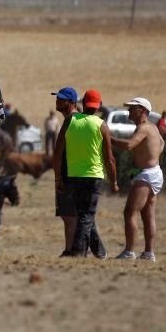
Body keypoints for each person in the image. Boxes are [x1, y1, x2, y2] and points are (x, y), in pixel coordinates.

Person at [64, 89, 116, 259]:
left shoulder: (71, 120)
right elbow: (110, 159)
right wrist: (114, 181)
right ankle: (78, 252)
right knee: (86, 215)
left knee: (84, 214)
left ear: (83, 103)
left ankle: (100, 252)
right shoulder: (101, 125)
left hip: (73, 175)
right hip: (94, 176)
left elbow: (58, 148)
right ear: (99, 106)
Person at [112, 97, 163, 262]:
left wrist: (108, 139)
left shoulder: (143, 128)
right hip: (153, 172)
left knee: (130, 212)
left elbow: (128, 145)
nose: (129, 111)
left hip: (146, 174)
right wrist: (152, 156)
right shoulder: (152, 127)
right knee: (148, 214)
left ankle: (129, 252)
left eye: (132, 108)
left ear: (142, 110)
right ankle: (149, 253)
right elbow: (162, 143)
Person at [51, 87, 79, 256]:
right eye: (57, 98)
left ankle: (72, 250)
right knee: (69, 216)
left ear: (71, 103)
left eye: (61, 99)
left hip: (69, 175)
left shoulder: (71, 121)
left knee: (70, 216)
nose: (57, 101)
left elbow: (59, 152)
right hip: (69, 174)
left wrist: (58, 179)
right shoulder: (71, 120)